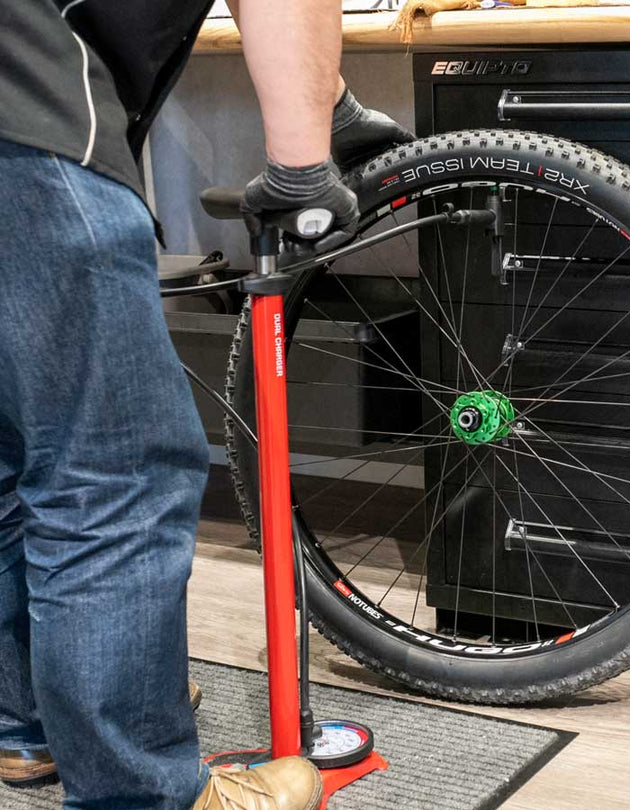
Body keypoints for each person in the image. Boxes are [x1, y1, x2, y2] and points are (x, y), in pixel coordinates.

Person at [0, 0, 412, 807]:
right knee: (113, 477)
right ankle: (141, 792)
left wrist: (329, 103)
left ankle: (29, 725)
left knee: (16, 449)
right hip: (25, 113)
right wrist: (303, 165)